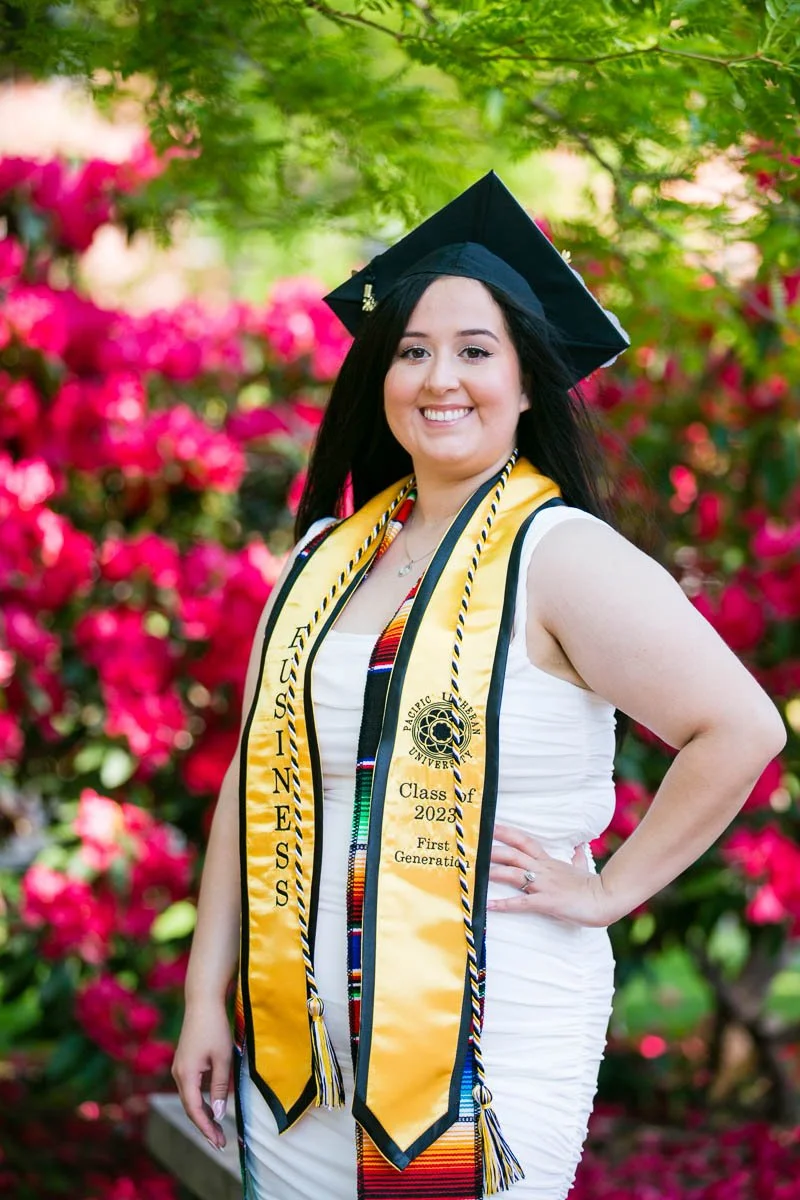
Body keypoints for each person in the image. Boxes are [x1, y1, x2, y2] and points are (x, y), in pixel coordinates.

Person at [172, 172, 786, 1200]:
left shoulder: (560, 557)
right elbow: (254, 778)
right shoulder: (324, 557)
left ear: (525, 381)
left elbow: (739, 727)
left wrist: (608, 892)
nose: (437, 376)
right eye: (411, 349)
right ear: (378, 374)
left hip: (479, 1051)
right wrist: (204, 997)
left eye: (473, 350)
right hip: (294, 1057)